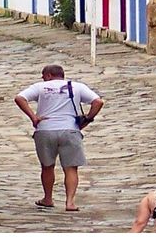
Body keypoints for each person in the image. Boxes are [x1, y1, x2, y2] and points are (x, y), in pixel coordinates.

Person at [14, 64, 102, 212]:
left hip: (45, 130)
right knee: (71, 168)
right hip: (70, 130)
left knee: (47, 167)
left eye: (43, 76)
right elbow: (98, 102)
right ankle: (70, 202)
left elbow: (19, 98)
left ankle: (48, 198)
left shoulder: (40, 87)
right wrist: (88, 119)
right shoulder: (77, 86)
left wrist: (33, 117)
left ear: (48, 75)